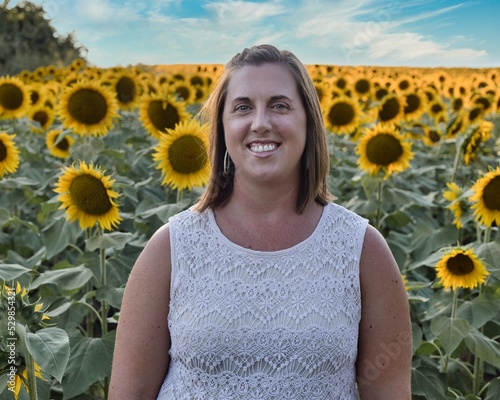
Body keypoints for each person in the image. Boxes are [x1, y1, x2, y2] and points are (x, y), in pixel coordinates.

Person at [108, 44, 412, 399]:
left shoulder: (362, 249)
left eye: (280, 105)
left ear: (309, 122)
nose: (260, 123)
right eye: (242, 108)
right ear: (222, 127)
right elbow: (130, 391)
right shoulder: (171, 248)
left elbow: (389, 391)